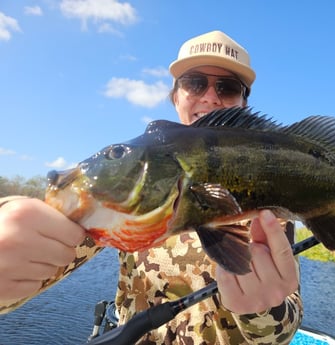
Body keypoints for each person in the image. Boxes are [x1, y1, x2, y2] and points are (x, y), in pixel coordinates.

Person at [0, 30, 302, 344]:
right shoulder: (127, 181)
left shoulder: (271, 200)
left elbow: (285, 327)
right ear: (175, 96)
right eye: (195, 82)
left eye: (227, 88)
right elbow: (40, 259)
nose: (211, 97)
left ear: (242, 104)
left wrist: (263, 311)